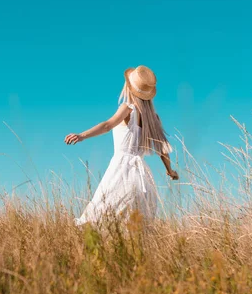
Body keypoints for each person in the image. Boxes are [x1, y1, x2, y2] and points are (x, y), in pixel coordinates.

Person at [65, 65, 179, 226]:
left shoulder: (128, 108)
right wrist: (170, 171)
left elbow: (107, 125)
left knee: (98, 216)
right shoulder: (154, 119)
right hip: (143, 180)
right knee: (136, 226)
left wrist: (81, 135)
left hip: (122, 171)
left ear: (130, 87)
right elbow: (162, 149)